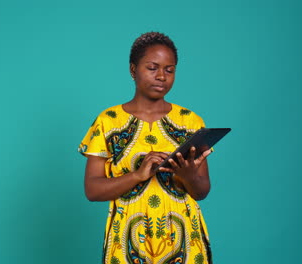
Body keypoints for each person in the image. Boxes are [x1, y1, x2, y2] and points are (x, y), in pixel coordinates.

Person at [78, 32, 213, 264]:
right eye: (152, 68)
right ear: (133, 70)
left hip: (184, 240)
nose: (161, 76)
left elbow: (201, 192)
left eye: (169, 70)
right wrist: (137, 175)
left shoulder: (191, 123)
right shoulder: (108, 121)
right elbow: (92, 190)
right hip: (127, 241)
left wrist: (188, 176)